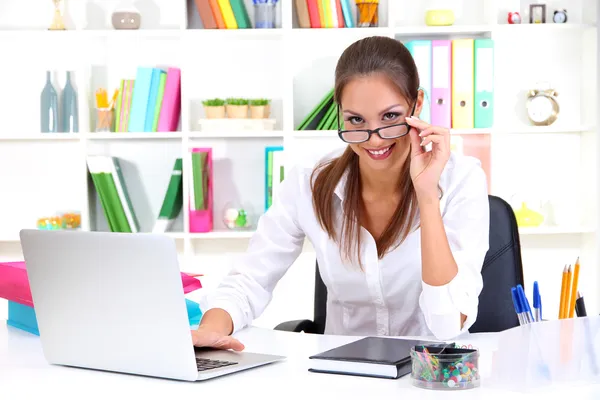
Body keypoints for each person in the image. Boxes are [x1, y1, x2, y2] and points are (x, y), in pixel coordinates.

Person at [192, 36, 490, 351]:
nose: (374, 140)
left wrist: (427, 196)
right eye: (356, 120)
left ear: (417, 104)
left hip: (429, 376)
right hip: (343, 375)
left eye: (390, 117)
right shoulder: (310, 182)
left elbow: (446, 326)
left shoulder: (461, 180)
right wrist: (209, 331)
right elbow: (250, 278)